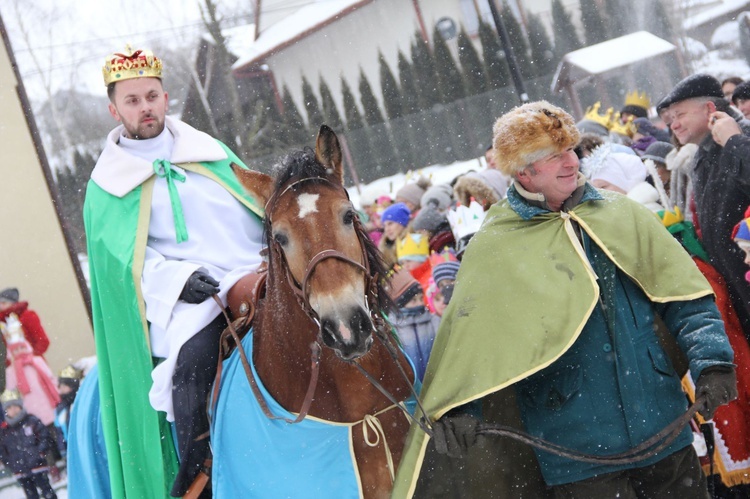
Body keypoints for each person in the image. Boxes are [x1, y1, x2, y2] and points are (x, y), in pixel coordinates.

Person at [393, 101, 737, 498]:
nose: (571, 161)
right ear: (523, 170)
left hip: (663, 428)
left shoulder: (623, 214)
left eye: (571, 149)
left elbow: (685, 298)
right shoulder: (495, 246)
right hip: (576, 454)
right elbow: (473, 343)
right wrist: (458, 411)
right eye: (554, 155)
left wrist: (712, 362)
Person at [83, 46, 265, 498]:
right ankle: (197, 475)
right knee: (194, 363)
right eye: (132, 100)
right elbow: (122, 263)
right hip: (188, 302)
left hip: (253, 271)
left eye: (151, 96)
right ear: (115, 109)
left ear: (165, 98)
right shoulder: (108, 185)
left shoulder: (210, 152)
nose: (144, 107)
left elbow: (256, 208)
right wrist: (178, 282)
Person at [658, 73, 750, 342]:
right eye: (670, 118)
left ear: (710, 109)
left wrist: (734, 142)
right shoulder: (700, 155)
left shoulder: (740, 138)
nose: (673, 125)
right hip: (735, 284)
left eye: (680, 115)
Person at [0, 389, 57, 499]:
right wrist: (10, 463)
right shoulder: (5, 431)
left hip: (37, 466)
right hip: (20, 470)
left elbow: (44, 436)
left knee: (47, 491)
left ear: (20, 406)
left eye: (15, 406)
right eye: (9, 408)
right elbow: (3, 450)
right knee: (31, 495)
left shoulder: (31, 421)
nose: (13, 410)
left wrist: (40, 452)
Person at [386, 267, 440, 381]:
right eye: (413, 300)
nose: (419, 304)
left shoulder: (433, 321)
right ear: (400, 305)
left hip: (435, 382)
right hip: (411, 386)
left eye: (421, 299)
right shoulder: (393, 328)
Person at [0, 288, 50, 360]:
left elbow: (43, 341)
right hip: (12, 368)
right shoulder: (2, 322)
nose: (0, 306)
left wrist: (30, 356)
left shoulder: (27, 316)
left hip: (32, 364)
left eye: (4, 303)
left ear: (13, 303)